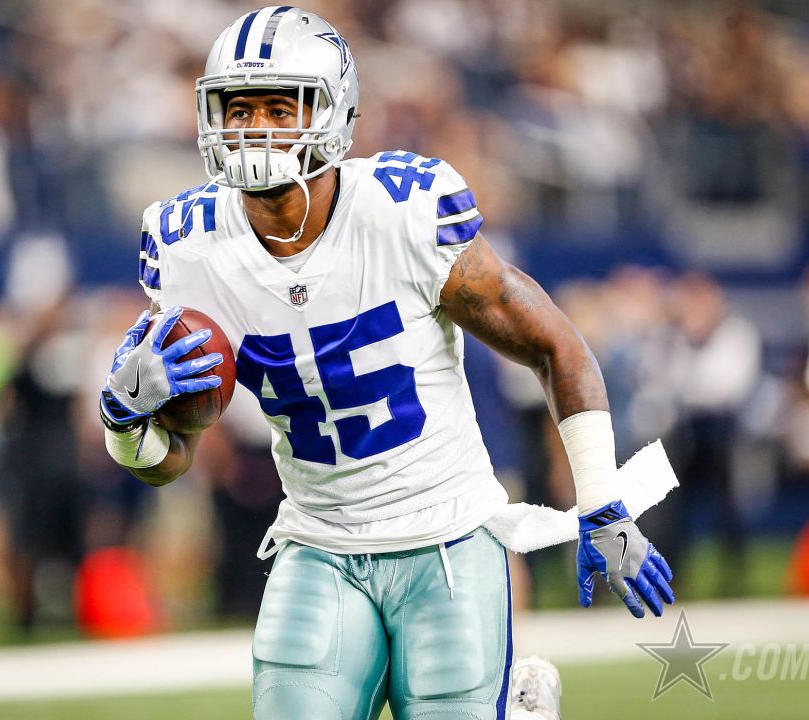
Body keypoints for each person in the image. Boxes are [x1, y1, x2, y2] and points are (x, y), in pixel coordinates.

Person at [97, 8, 675, 719]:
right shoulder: (188, 249)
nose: (256, 128)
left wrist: (602, 502)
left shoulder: (404, 213)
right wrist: (125, 422)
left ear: (335, 114)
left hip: (448, 541)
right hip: (319, 542)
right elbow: (169, 460)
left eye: (282, 107)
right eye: (238, 107)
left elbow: (556, 345)